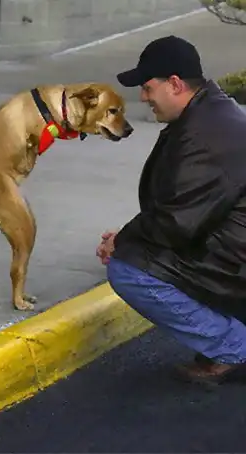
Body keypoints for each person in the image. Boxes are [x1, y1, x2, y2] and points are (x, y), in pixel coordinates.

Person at [96, 35, 246, 385]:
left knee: (130, 270)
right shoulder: (210, 113)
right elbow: (183, 209)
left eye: (148, 87)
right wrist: (130, 234)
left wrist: (122, 241)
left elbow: (177, 222)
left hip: (238, 258)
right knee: (141, 250)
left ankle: (235, 347)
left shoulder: (205, 134)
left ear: (175, 83)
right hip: (233, 247)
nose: (144, 97)